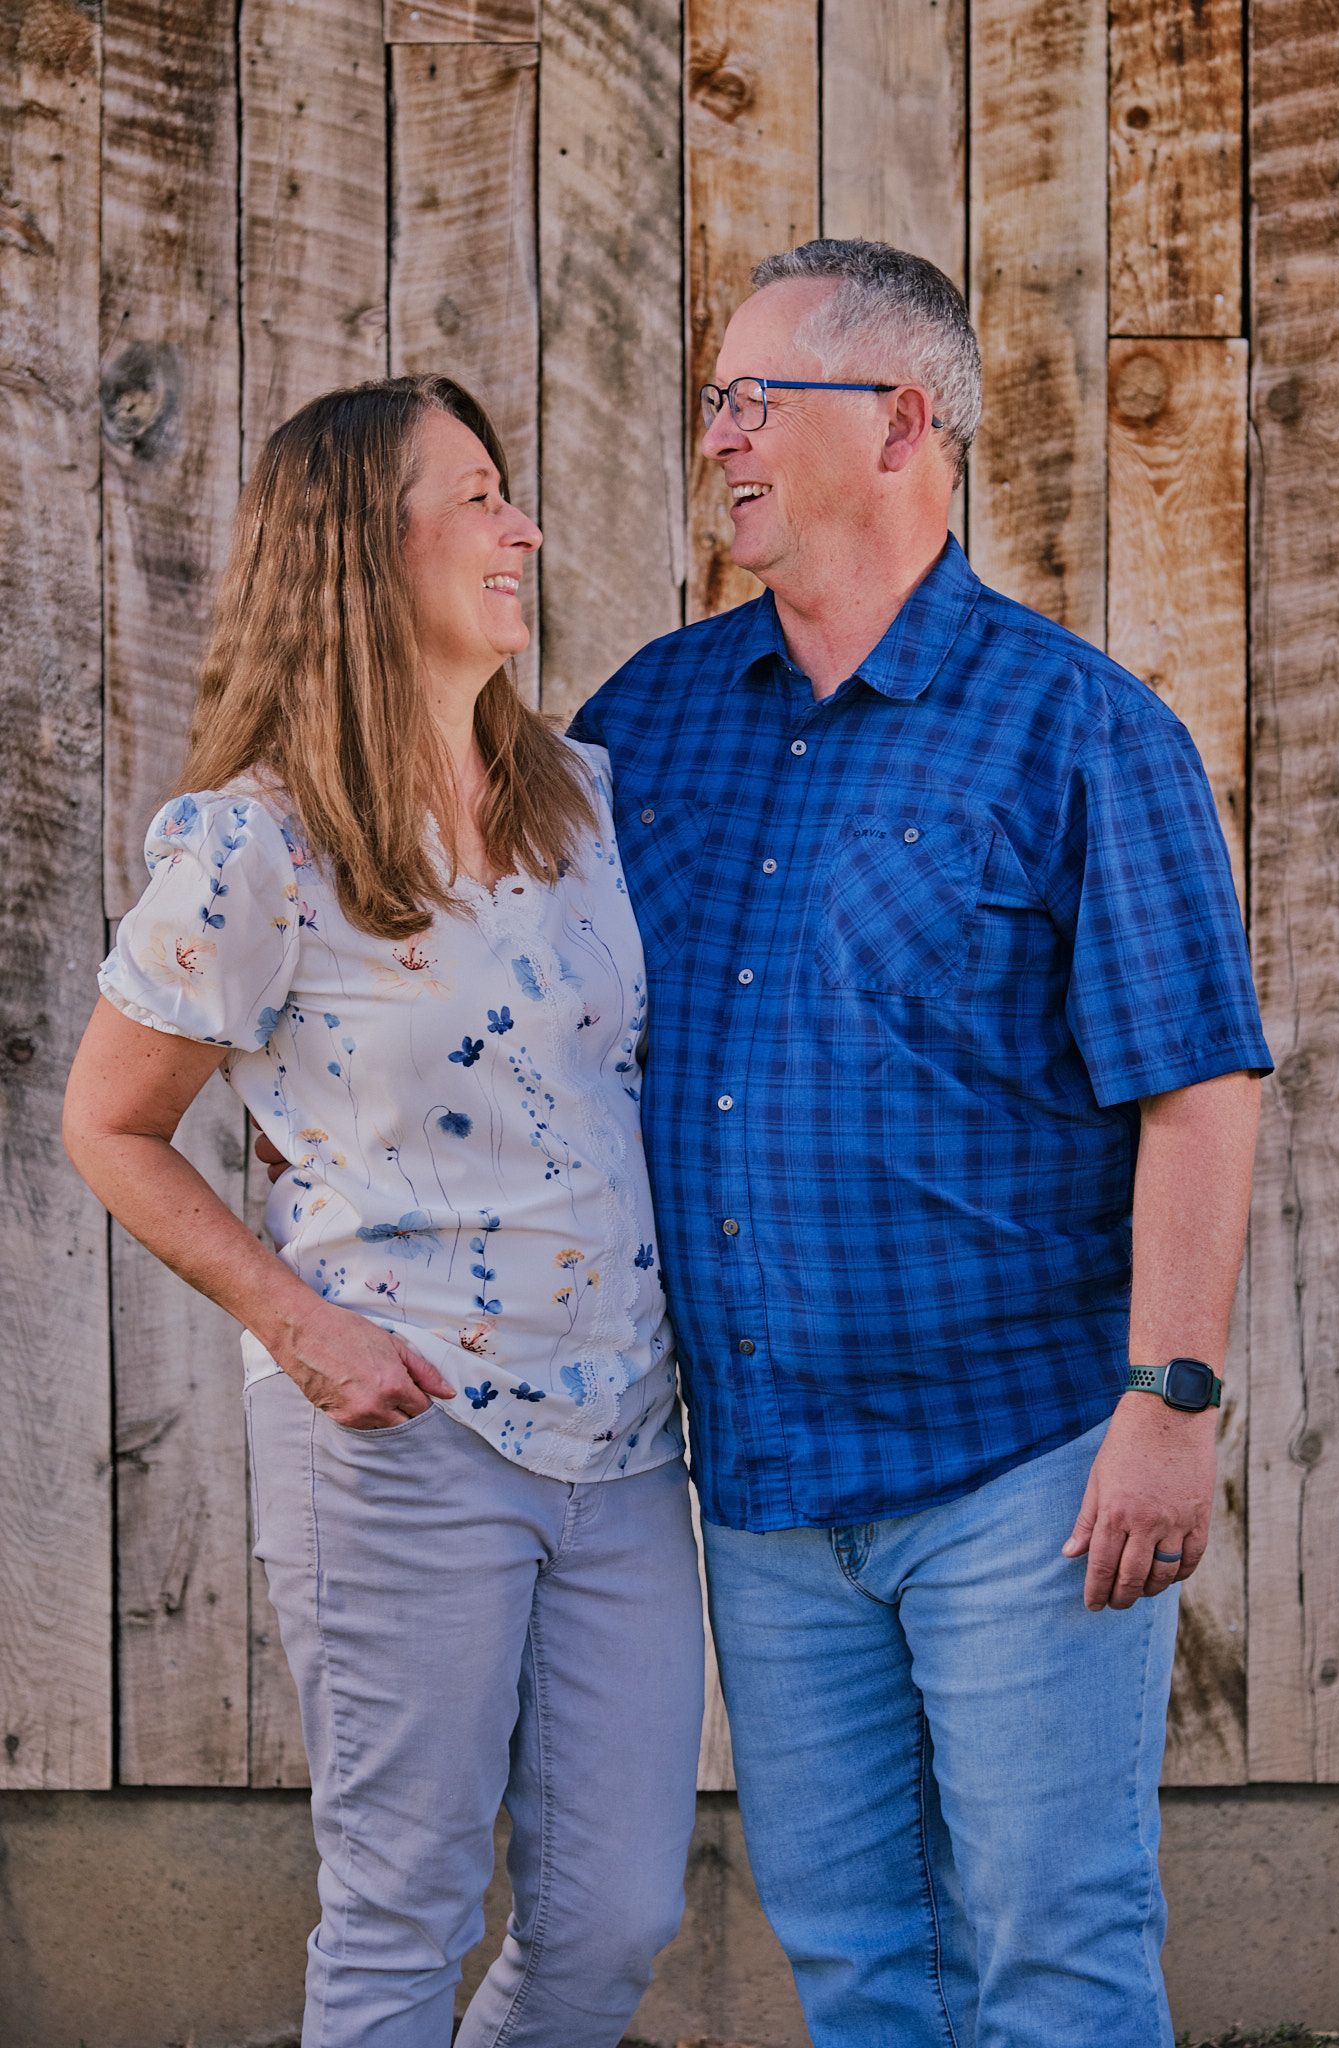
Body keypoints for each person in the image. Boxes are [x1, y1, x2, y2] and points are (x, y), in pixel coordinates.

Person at [566, 242, 1273, 2048]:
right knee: (861, 1962)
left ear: (899, 422)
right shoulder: (640, 726)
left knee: (1052, 1942)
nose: (715, 435)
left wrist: (1169, 1402)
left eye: (751, 398)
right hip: (767, 1478)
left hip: (1020, 1471)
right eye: (708, 400)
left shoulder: (1078, 731)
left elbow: (1195, 1087)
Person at [62, 374, 704, 2048]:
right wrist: (303, 1326)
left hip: (625, 1437)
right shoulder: (260, 847)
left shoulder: (581, 805)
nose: (525, 528)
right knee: (403, 1905)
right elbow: (109, 1125)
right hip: (402, 1432)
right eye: (478, 494)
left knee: (614, 1913)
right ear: (364, 544)